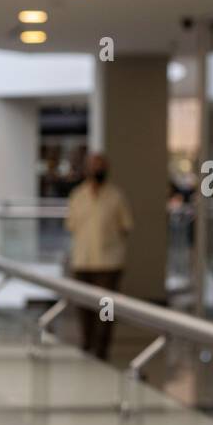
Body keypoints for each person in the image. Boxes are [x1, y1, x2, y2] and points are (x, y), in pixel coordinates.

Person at [64, 153, 133, 361]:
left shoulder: (116, 196)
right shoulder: (78, 196)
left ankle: (102, 349)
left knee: (106, 309)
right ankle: (87, 344)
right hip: (83, 261)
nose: (97, 170)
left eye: (101, 165)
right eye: (94, 166)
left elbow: (126, 226)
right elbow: (71, 225)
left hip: (108, 263)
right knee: (84, 309)